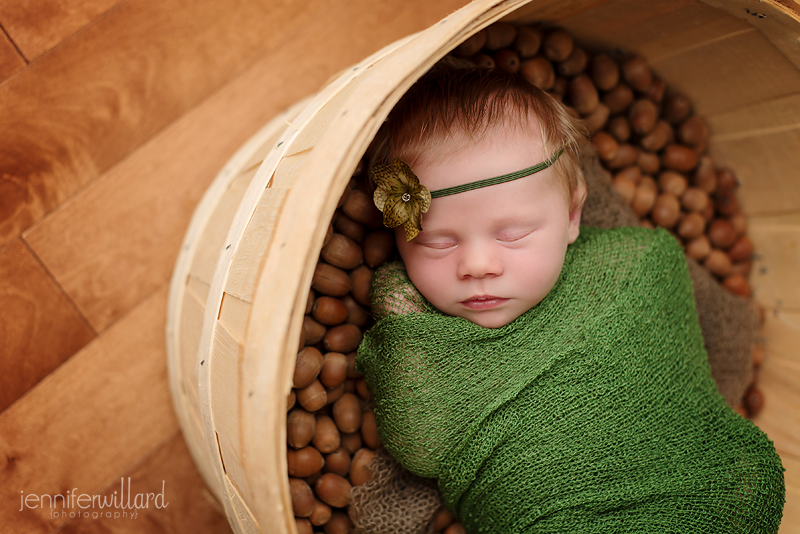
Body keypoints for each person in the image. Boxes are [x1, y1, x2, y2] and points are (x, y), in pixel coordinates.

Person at [355, 67, 785, 533]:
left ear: (574, 215)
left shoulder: (635, 267)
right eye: (437, 242)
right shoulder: (424, 339)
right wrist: (401, 320)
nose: (477, 265)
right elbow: (421, 442)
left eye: (514, 233)